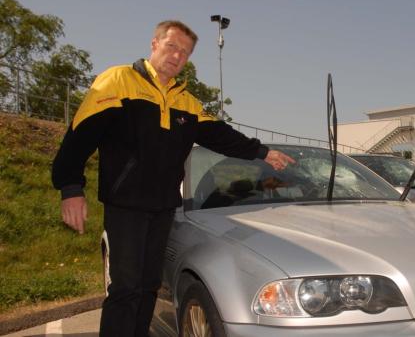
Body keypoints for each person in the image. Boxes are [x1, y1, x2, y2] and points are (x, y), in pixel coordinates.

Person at [51, 20, 295, 337]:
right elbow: (80, 135)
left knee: (149, 285)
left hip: (163, 206)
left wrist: (262, 152)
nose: (177, 56)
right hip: (126, 204)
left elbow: (220, 135)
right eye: (171, 46)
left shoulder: (185, 100)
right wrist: (71, 187)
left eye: (185, 52)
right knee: (126, 287)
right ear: (154, 44)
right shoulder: (117, 81)